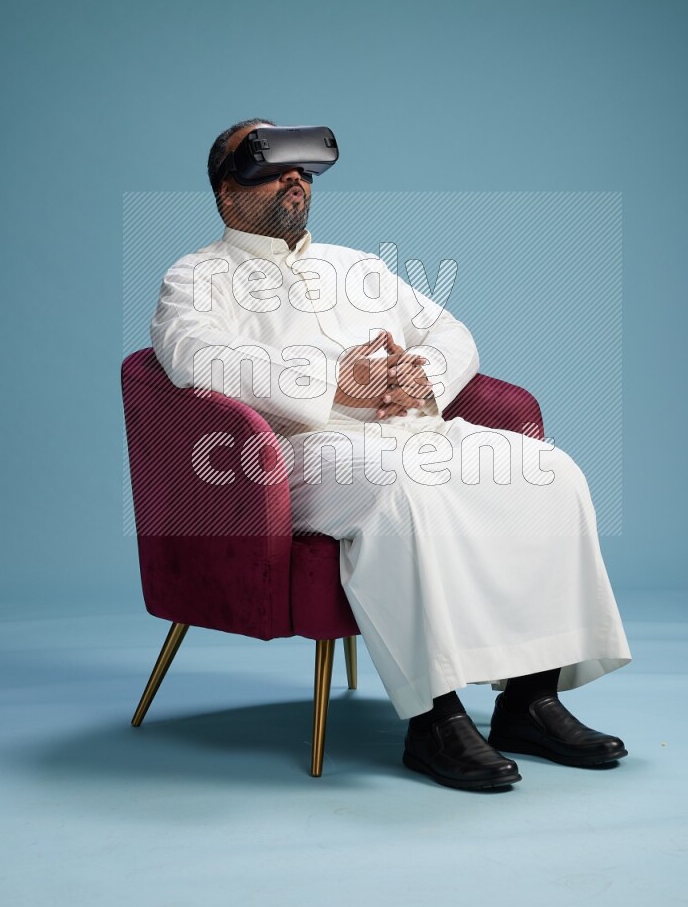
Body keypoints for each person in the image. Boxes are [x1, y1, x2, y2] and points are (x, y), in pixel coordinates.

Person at [150, 117, 632, 792]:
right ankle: (435, 719)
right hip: (295, 454)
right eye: (269, 163)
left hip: (410, 433)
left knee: (547, 471)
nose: (294, 176)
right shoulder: (196, 277)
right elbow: (195, 358)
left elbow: (449, 330)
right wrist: (327, 383)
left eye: (303, 166)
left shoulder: (359, 267)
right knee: (400, 489)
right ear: (228, 192)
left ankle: (530, 700)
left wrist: (423, 377)